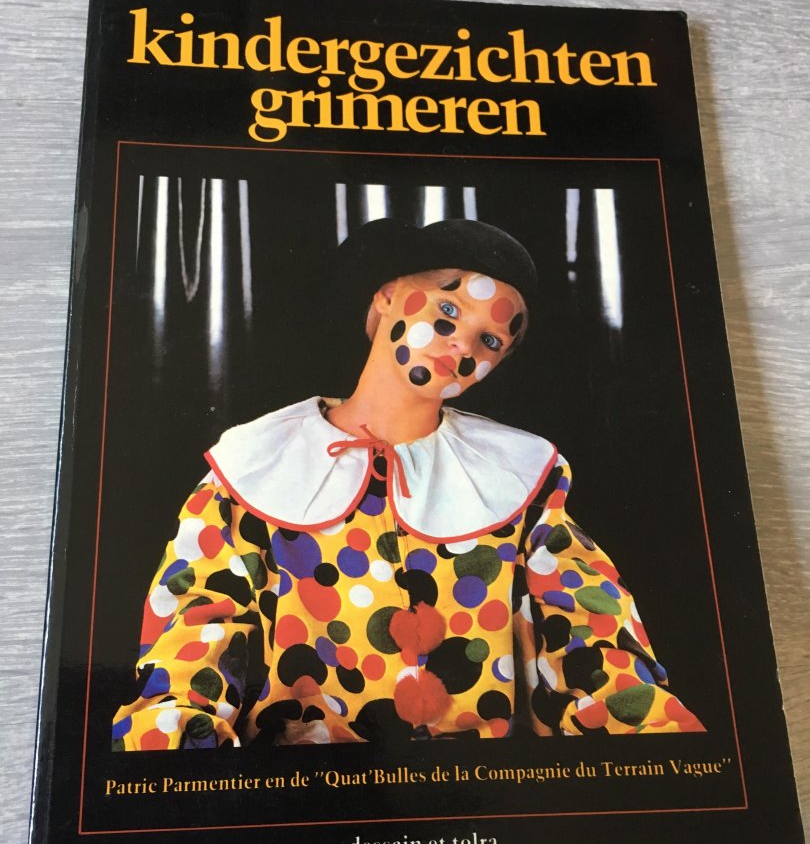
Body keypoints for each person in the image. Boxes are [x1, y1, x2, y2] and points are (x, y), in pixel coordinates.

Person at [112, 217, 703, 750]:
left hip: (480, 797)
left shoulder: (525, 478)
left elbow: (590, 633)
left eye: (490, 340)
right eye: (448, 312)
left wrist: (653, 739)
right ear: (388, 296)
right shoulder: (249, 464)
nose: (462, 344)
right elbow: (195, 637)